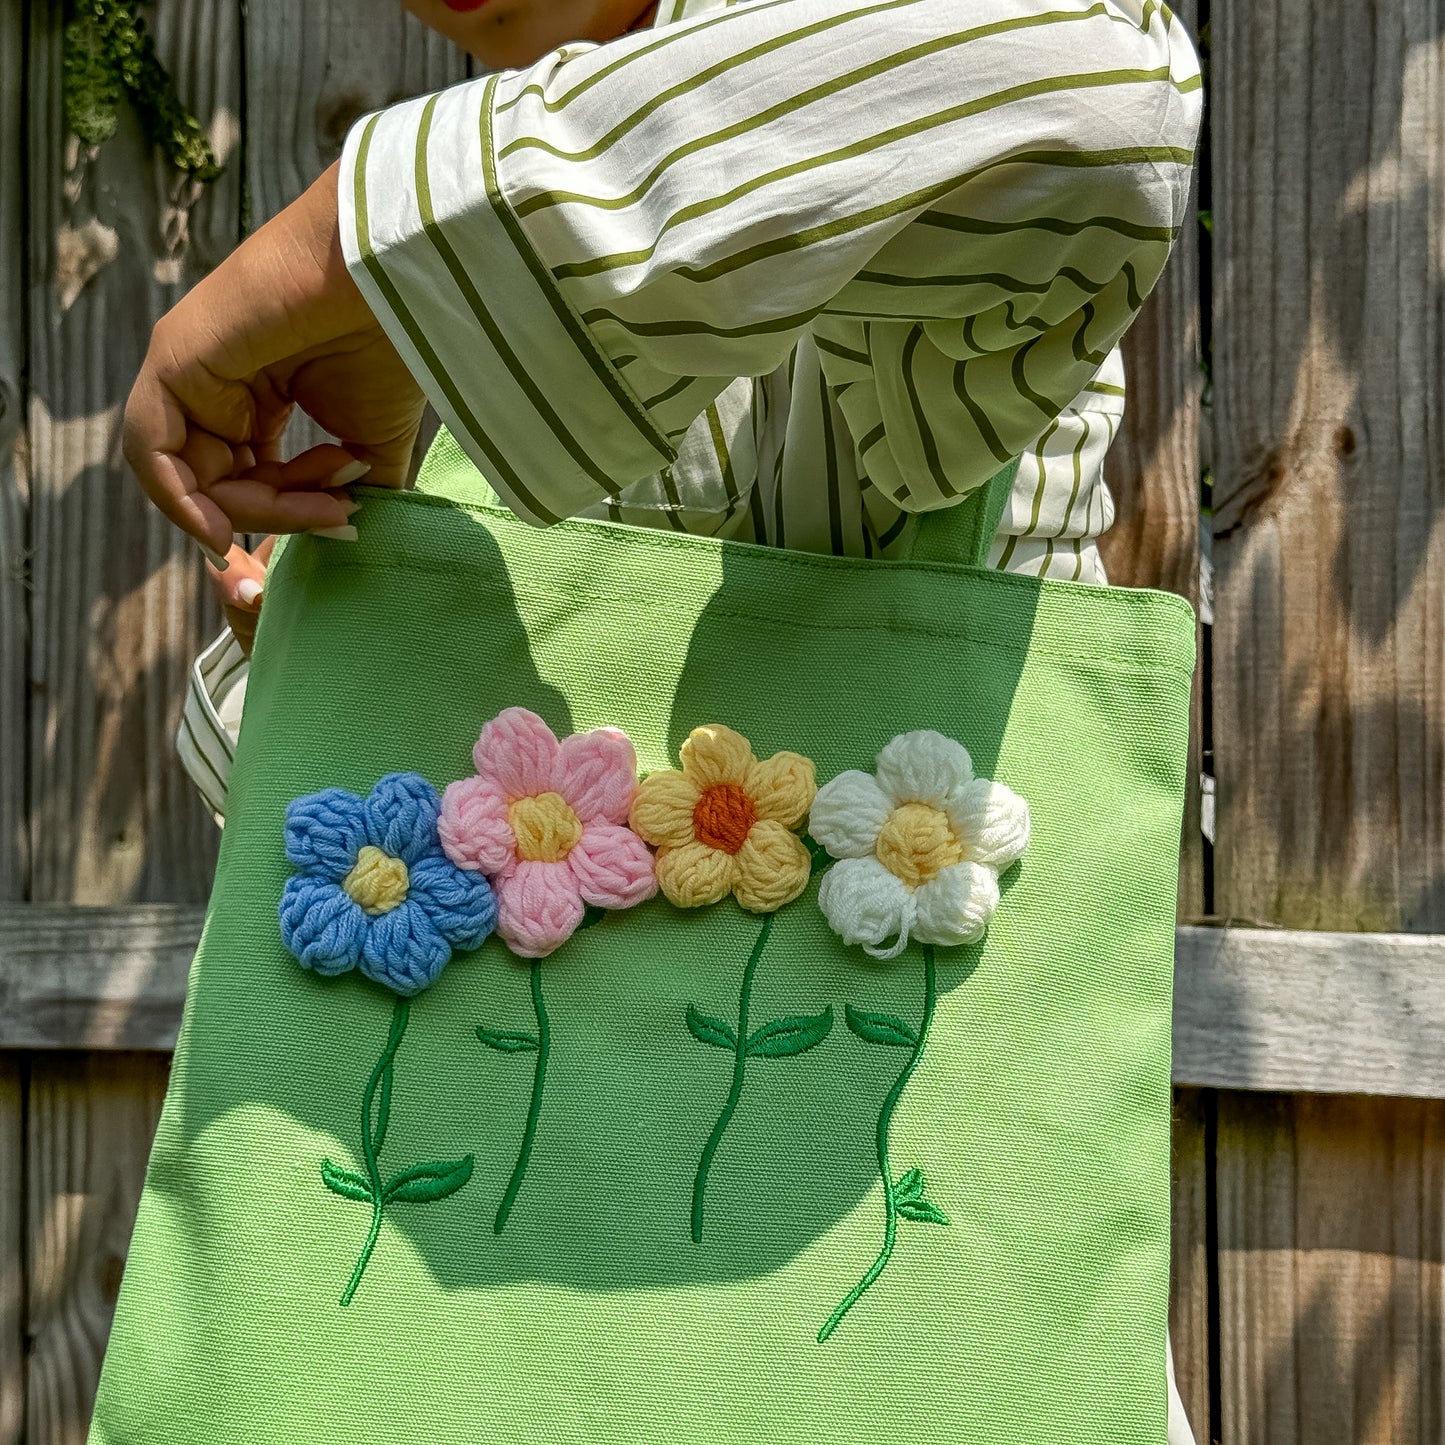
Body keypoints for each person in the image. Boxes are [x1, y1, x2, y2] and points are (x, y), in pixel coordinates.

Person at [125, 0, 1203, 1438]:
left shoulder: (851, 118)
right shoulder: (475, 300)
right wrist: (327, 657)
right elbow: (356, 867)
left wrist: (360, 254)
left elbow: (1099, 89)